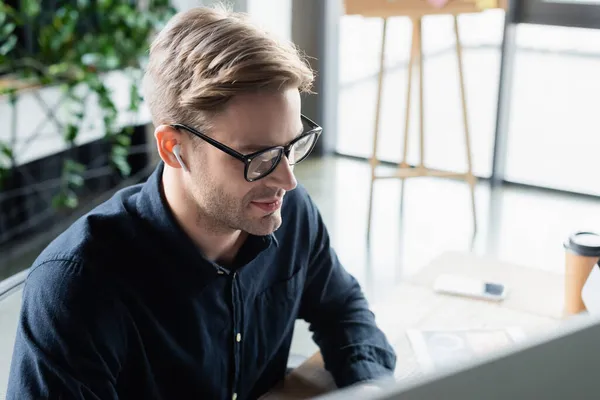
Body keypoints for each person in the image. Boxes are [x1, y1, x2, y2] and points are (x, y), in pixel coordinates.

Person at [7, 5, 396, 400]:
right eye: (258, 157)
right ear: (173, 148)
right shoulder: (78, 287)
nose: (287, 179)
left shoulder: (290, 212)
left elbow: (344, 310)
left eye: (292, 146)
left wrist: (371, 387)